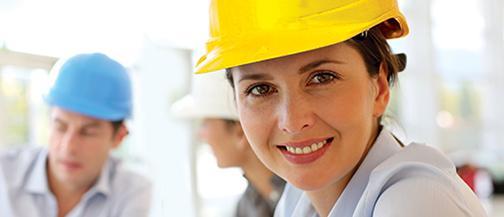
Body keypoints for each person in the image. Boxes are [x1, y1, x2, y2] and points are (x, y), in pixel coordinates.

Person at [194, 0, 487, 216]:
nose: (293, 122)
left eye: (322, 78)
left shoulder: (416, 202)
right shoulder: (300, 200)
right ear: (236, 103)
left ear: (380, 87)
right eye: (260, 89)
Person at [0, 53, 151, 217]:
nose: (68, 147)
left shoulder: (132, 192)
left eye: (88, 133)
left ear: (119, 137)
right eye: (60, 127)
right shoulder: (4, 174)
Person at [172, 72, 285, 217]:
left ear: (239, 132)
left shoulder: (306, 194)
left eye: (205, 123)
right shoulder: (246, 205)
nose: (200, 134)